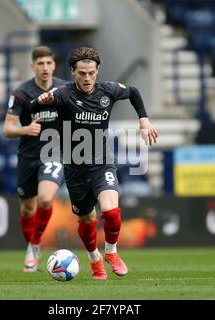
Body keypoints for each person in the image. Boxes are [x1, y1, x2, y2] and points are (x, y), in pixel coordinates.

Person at [33, 47, 158, 280]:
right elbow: (32, 108)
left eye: (91, 72)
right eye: (82, 73)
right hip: (75, 169)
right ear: (73, 72)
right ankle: (94, 260)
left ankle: (111, 252)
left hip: (102, 164)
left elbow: (133, 92)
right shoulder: (62, 94)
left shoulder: (107, 90)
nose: (88, 78)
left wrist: (143, 119)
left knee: (111, 212)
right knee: (87, 219)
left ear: (97, 70)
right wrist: (40, 102)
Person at [2, 46, 67, 272]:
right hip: (28, 156)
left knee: (46, 199)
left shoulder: (63, 89)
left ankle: (35, 245)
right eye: (40, 64)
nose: (45, 68)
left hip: (53, 153)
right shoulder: (21, 93)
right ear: (33, 67)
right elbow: (7, 129)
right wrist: (25, 129)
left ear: (54, 65)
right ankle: (32, 245)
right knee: (28, 209)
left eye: (49, 63)